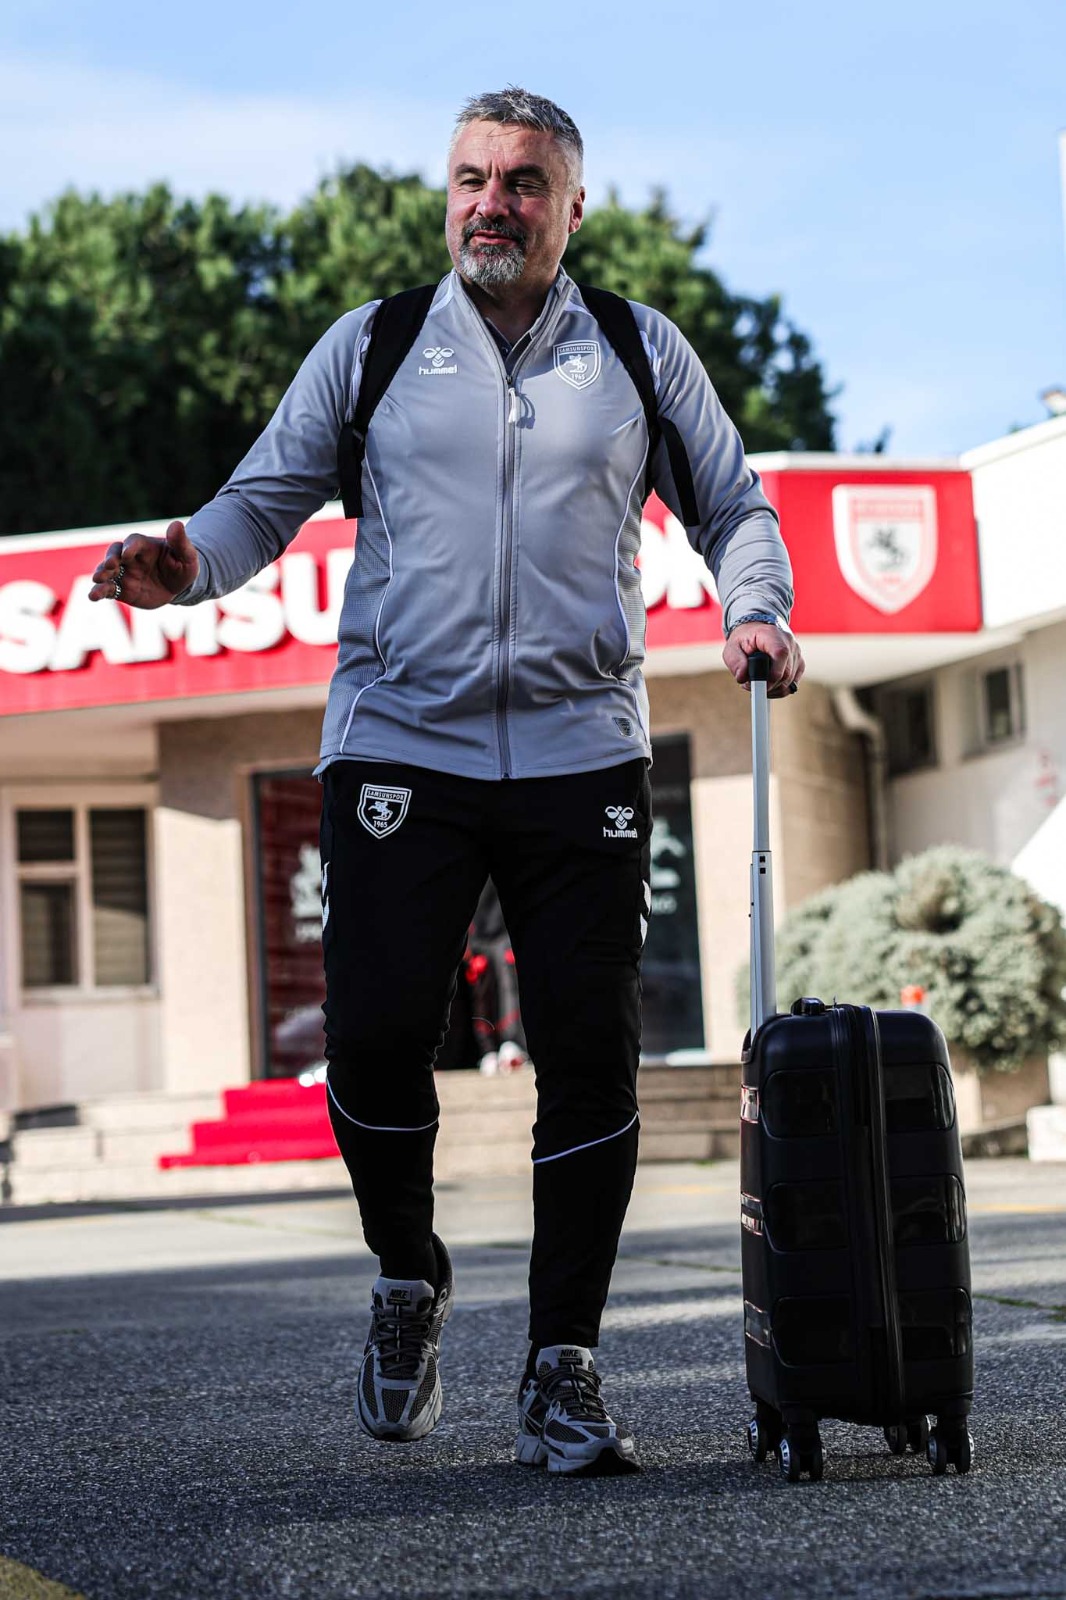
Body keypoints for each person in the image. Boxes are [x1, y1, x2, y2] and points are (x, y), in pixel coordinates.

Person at [90, 86, 803, 1477]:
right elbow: (261, 499)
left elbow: (733, 504)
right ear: (448, 195)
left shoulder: (636, 351)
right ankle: (408, 1271)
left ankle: (562, 1364)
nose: (493, 204)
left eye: (524, 183)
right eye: (473, 178)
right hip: (399, 741)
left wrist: (755, 608)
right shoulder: (376, 345)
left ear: (571, 208)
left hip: (581, 749)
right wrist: (189, 563)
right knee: (369, 1039)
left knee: (589, 1058)